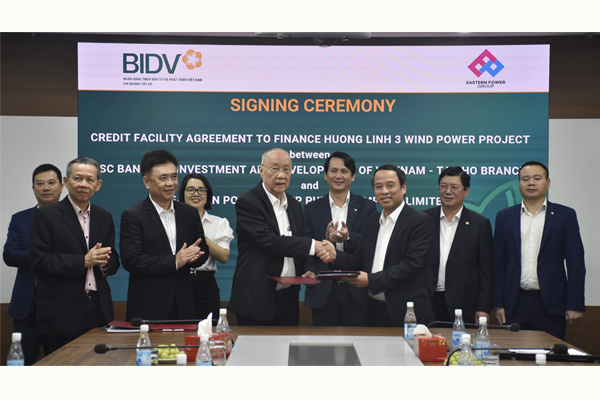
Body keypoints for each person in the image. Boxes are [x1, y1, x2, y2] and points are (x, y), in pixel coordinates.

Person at [228, 148, 335, 326]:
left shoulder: (294, 204)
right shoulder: (248, 202)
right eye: (275, 168)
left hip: (288, 300)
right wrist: (313, 246)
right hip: (256, 300)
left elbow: (299, 242)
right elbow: (268, 241)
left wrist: (308, 270)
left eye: (286, 169)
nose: (281, 175)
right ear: (261, 170)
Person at [29, 157, 120, 355]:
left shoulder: (104, 216)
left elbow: (114, 260)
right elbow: (39, 260)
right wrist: (83, 261)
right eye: (78, 178)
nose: (83, 184)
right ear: (66, 181)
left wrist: (103, 262)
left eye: (90, 180)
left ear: (98, 185)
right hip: (60, 313)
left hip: (98, 309)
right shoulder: (46, 215)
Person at [492, 161, 585, 340]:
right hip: (514, 303)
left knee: (549, 354)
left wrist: (575, 304)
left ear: (547, 183)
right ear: (519, 183)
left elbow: (576, 263)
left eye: (537, 178)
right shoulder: (505, 216)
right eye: (525, 179)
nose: (531, 183)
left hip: (551, 303)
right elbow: (498, 264)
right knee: (513, 354)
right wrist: (497, 303)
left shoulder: (565, 215)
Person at [336, 164, 435, 327]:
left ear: (404, 188)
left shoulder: (420, 221)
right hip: (372, 310)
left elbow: (411, 265)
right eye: (378, 187)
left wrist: (370, 280)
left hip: (406, 312)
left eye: (390, 185)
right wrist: (334, 254)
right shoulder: (371, 222)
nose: (384, 191)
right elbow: (360, 260)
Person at [120, 150, 209, 322]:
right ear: (146, 182)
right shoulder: (133, 216)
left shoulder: (189, 213)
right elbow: (132, 260)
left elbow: (202, 248)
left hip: (183, 304)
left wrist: (195, 256)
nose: (170, 183)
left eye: (174, 177)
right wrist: (175, 261)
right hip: (149, 307)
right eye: (163, 178)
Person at [303, 152, 378, 326]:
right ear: (325, 175)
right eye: (333, 171)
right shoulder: (311, 209)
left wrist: (348, 237)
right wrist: (309, 271)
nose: (338, 176)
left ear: (353, 176)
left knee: (358, 342)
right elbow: (305, 245)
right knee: (322, 342)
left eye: (344, 171)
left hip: (356, 291)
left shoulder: (367, 207)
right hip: (322, 292)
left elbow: (372, 244)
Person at [3, 164, 64, 364]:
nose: (46, 188)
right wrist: (43, 257)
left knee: (62, 364)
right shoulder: (20, 219)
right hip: (27, 306)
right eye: (40, 184)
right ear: (33, 188)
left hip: (62, 305)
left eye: (51, 183)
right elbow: (10, 255)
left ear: (62, 186)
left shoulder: (73, 219)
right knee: (23, 362)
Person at [423, 167, 493, 324]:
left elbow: (486, 271)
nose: (448, 191)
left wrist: (483, 307)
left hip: (464, 304)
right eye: (443, 186)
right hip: (427, 301)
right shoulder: (423, 219)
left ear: (466, 191)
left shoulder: (480, 224)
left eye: (454, 187)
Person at [178, 173, 234, 323]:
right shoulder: (172, 221)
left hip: (205, 285)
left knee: (209, 331)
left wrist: (200, 233)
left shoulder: (219, 223)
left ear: (207, 194)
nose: (196, 194)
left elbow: (223, 256)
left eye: (201, 190)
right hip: (178, 281)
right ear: (183, 193)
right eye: (190, 189)